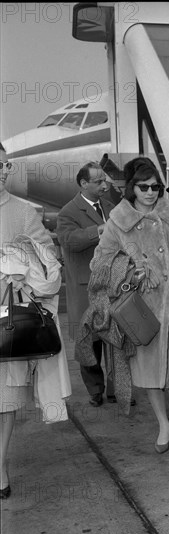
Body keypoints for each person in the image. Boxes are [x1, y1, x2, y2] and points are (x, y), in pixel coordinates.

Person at [90, 157, 169, 453]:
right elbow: (99, 262)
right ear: (131, 187)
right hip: (141, 309)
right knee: (150, 369)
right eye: (143, 186)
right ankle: (162, 423)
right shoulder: (119, 221)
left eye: (155, 186)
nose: (150, 192)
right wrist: (132, 266)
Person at [0, 143, 71, 499]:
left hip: (7, 325)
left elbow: (50, 264)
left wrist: (21, 269)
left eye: (2, 165)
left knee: (5, 401)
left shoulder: (24, 213)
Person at [56, 161, 118, 407]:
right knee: (88, 342)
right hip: (85, 288)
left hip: (112, 286)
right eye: (98, 181)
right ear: (83, 184)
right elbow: (70, 241)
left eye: (104, 180)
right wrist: (101, 229)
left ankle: (116, 389)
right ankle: (95, 390)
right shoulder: (68, 212)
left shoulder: (111, 206)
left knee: (114, 341)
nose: (105, 185)